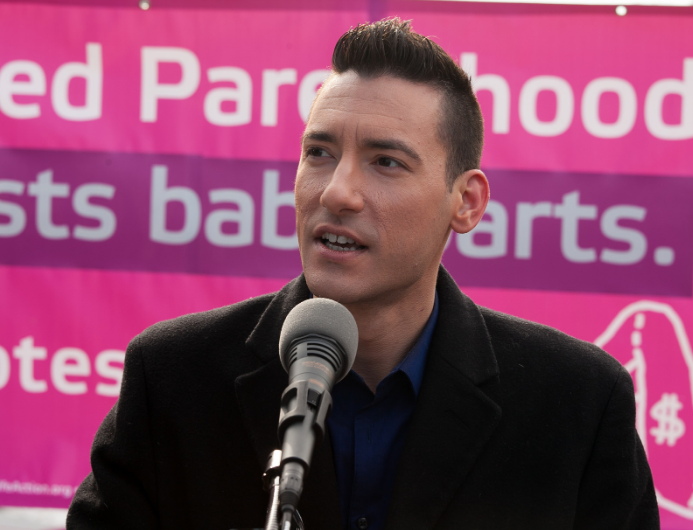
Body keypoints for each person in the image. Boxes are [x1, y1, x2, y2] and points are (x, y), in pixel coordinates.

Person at [67, 18, 659, 530]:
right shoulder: (173, 379)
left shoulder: (578, 404)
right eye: (319, 153)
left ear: (466, 202)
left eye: (386, 162)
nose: (337, 191)